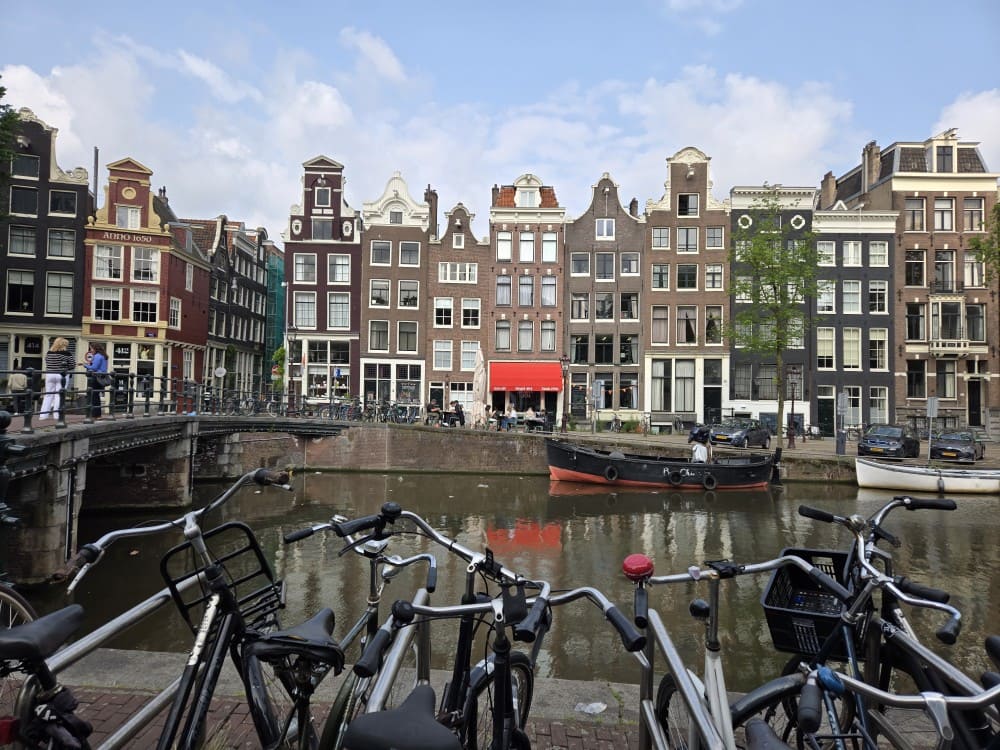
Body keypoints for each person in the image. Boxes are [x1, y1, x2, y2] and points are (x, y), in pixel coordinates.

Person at [39, 337, 74, 420]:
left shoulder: (49, 353)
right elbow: (72, 365)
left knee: (48, 395)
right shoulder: (67, 353)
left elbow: (47, 362)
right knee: (59, 395)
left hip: (50, 374)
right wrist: (67, 367)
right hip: (61, 375)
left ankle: (43, 415)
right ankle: (57, 415)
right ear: (64, 345)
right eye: (66, 345)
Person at [81, 342, 108, 418]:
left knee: (93, 396)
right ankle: (97, 414)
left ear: (95, 349)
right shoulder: (103, 356)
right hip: (101, 377)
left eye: (91, 349)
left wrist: (85, 365)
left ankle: (95, 414)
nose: (91, 350)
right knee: (96, 395)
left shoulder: (97, 356)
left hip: (96, 377)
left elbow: (94, 368)